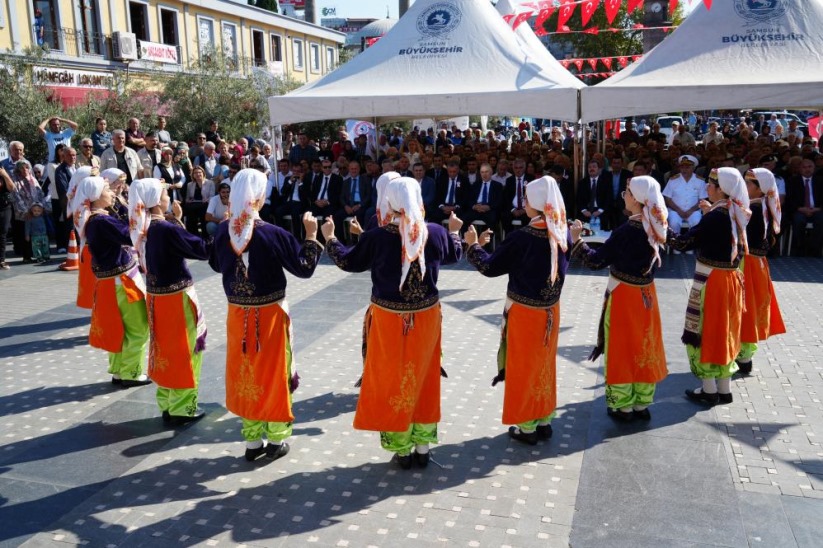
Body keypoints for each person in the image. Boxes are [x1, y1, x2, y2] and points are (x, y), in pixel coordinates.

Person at [321, 177, 463, 469]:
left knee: (393, 378)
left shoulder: (377, 236)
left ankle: (402, 448)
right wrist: (456, 232)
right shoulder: (434, 232)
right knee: (424, 377)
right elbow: (454, 254)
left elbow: (349, 262)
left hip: (388, 320)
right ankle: (422, 445)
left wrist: (330, 238)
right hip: (425, 318)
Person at [209, 169, 322, 461]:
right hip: (270, 315)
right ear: (260, 196)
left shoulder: (223, 231)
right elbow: (304, 268)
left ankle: (251, 440)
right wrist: (311, 236)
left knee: (245, 373)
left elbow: (214, 264)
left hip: (238, 314)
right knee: (273, 373)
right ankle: (276, 438)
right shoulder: (273, 233)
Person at [464, 176, 571, 445]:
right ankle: (544, 419)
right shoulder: (562, 231)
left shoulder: (521, 237)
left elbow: (489, 268)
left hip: (525, 312)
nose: (523, 202)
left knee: (523, 367)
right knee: (544, 365)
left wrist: (473, 245)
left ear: (534, 203)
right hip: (550, 311)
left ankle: (527, 427)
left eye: (526, 198)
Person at [570, 176, 669, 421]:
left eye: (626, 191)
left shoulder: (626, 231)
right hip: (647, 296)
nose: (623, 195)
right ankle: (641, 402)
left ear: (636, 199)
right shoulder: (657, 225)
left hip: (624, 296)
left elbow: (596, 261)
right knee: (645, 345)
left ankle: (623, 404)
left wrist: (577, 240)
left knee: (622, 348)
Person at [129, 178, 209, 425]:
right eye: (165, 193)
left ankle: (167, 401)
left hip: (157, 297)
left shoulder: (145, 228)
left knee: (164, 350)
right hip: (175, 300)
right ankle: (183, 407)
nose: (169, 197)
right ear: (156, 200)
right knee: (185, 351)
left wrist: (176, 219)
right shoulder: (165, 229)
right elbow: (202, 249)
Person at [669, 167, 751, 406]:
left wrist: (660, 226)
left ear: (720, 189)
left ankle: (708, 388)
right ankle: (724, 388)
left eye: (711, 185)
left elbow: (683, 243)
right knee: (726, 332)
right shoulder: (736, 211)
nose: (706, 188)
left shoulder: (717, 216)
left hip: (712, 281)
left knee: (706, 333)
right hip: (731, 279)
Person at [77, 175, 151, 387]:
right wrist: (144, 214)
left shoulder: (92, 219)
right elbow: (131, 235)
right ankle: (131, 372)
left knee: (118, 327)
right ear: (96, 196)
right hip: (122, 282)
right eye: (107, 190)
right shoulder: (103, 221)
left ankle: (119, 369)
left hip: (109, 283)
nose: (111, 194)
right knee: (138, 328)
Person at [736, 169, 786, 376]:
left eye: (749, 184)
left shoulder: (754, 211)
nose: (745, 188)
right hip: (757, 264)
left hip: (747, 264)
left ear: (759, 189)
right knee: (751, 307)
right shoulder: (763, 206)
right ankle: (745, 355)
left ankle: (742, 356)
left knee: (744, 307)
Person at [663, 155, 707, 239]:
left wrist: (691, 210)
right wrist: (678, 210)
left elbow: (702, 199)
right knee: (673, 222)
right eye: (682, 167)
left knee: (696, 221)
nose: (684, 169)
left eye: (687, 167)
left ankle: (691, 246)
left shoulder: (700, 181)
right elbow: (668, 199)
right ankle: (676, 245)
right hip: (675, 210)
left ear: (693, 168)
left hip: (694, 210)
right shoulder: (673, 180)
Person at [184, 166, 214, 235]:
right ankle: (192, 234)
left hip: (205, 204)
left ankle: (205, 236)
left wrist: (206, 199)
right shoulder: (190, 184)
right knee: (189, 213)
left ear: (203, 173)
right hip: (194, 204)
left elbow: (212, 196)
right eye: (195, 173)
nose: (198, 174)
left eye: (199, 172)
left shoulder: (210, 183)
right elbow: (187, 198)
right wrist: (189, 200)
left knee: (202, 212)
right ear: (193, 175)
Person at [0, 166, 16, 269]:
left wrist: (4, 174)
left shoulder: (2, 171)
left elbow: (12, 187)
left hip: (4, 205)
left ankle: (1, 260)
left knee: (3, 232)